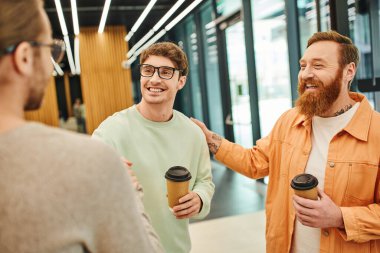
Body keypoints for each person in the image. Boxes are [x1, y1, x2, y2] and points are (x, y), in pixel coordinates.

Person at [192, 31, 380, 253]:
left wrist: (340, 217)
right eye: (303, 66)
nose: (306, 74)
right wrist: (210, 139)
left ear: (349, 71)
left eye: (318, 66)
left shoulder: (375, 132)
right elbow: (255, 162)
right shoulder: (290, 120)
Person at [0, 1, 163, 252]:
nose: (51, 63)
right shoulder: (90, 163)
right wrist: (127, 193)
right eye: (50, 50)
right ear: (23, 57)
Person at [92, 41, 215, 253]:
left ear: (181, 81)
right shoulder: (111, 130)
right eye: (148, 70)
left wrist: (200, 199)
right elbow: (86, 183)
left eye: (166, 72)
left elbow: (204, 181)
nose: (154, 79)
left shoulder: (193, 134)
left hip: (175, 247)